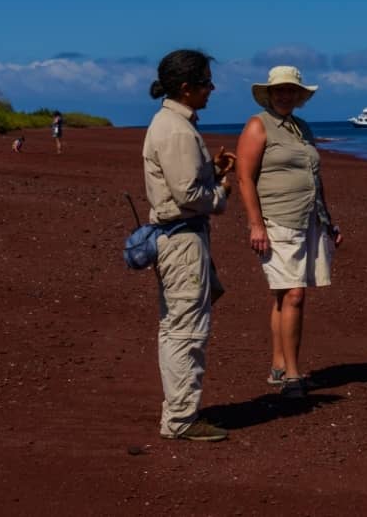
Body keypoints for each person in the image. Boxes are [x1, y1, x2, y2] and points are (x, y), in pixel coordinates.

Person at [143, 49, 235, 442]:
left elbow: (181, 180)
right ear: (186, 88)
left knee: (176, 326)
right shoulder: (177, 129)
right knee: (187, 330)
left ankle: (178, 412)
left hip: (175, 237)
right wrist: (221, 192)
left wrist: (211, 169)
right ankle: (181, 419)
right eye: (206, 82)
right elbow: (189, 195)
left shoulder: (170, 124)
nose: (211, 89)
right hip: (182, 238)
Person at [236, 66, 342, 399]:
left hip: (307, 218)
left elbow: (315, 178)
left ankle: (279, 365)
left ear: (299, 95)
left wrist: (328, 220)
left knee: (284, 294)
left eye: (291, 90)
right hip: (276, 220)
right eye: (279, 90)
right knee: (295, 294)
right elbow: (244, 178)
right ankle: (293, 376)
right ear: (269, 93)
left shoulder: (302, 128)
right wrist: (256, 223)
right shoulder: (258, 125)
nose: (285, 95)